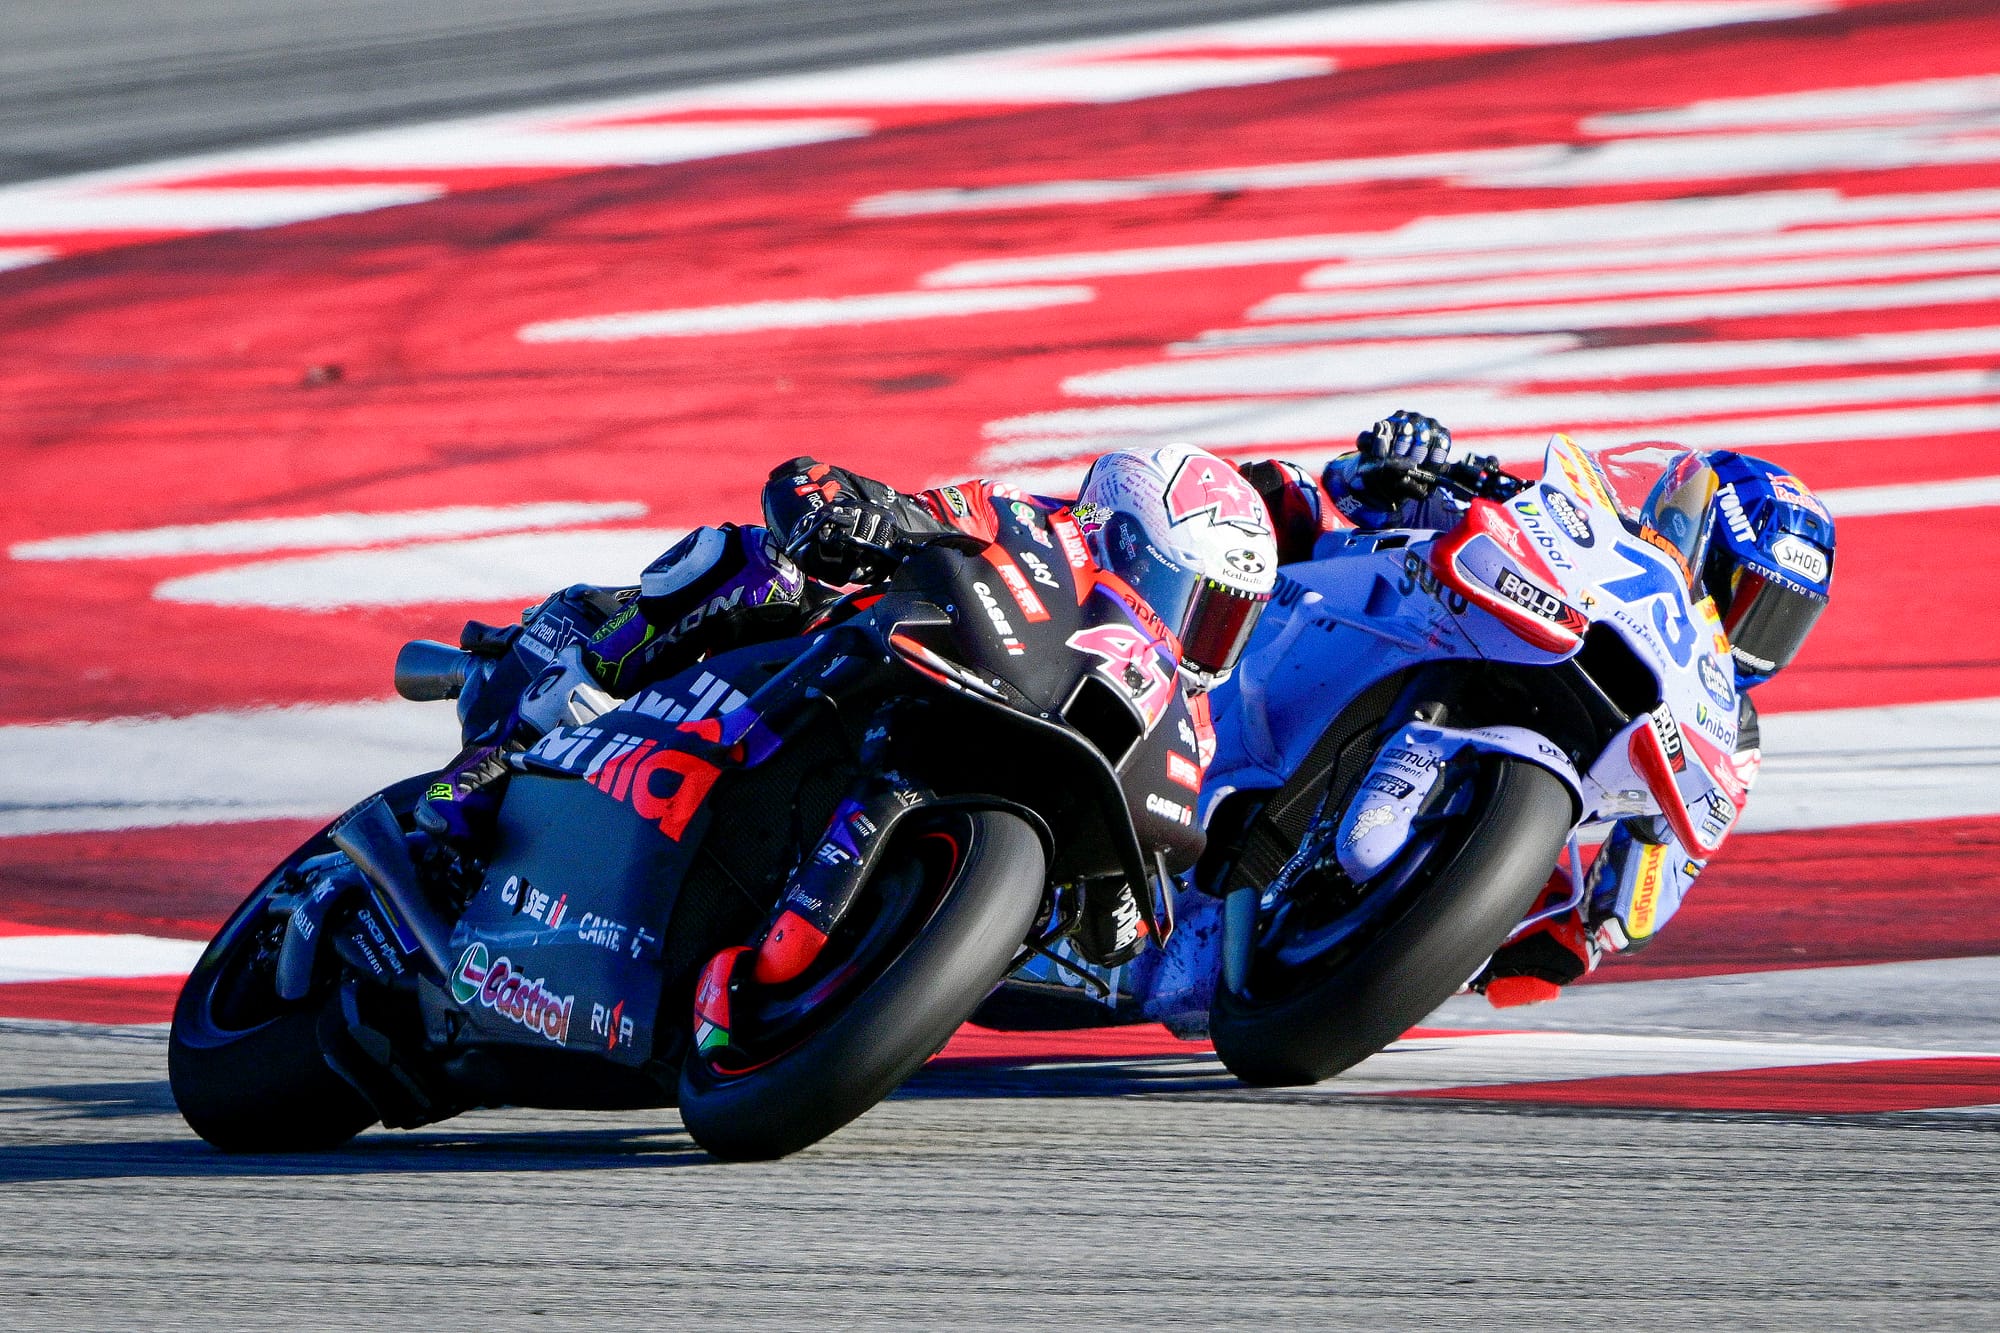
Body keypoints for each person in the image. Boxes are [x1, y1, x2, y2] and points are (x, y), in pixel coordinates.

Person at [1239, 411, 1839, 1007]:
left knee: (1571, 945)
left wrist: (1485, 935)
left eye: (1783, 620)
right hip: (1352, 633)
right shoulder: (1588, 535)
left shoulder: (1729, 733)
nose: (1755, 637)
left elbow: (1645, 893)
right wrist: (1401, 467)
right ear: (1696, 533)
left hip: (1494, 831)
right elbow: (1373, 490)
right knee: (1279, 490)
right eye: (1748, 601)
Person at [418, 446, 1280, 844]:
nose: (1195, 636)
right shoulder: (1027, 520)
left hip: (985, 779)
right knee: (751, 567)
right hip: (845, 667)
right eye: (1192, 602)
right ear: (1123, 537)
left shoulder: (1191, 730)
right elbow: (841, 490)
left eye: (1225, 621)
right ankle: (531, 729)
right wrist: (850, 509)